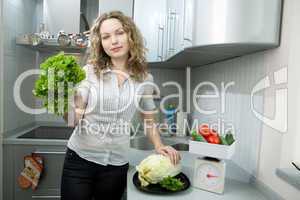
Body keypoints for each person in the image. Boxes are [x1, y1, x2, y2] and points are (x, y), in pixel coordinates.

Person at [61, 11, 181, 200]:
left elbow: (148, 119)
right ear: (100, 43)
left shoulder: (144, 79)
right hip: (80, 160)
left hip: (116, 165)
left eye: (119, 33)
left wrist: (159, 145)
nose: (114, 41)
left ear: (130, 35)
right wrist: (63, 100)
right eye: (106, 37)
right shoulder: (89, 72)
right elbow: (74, 119)